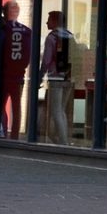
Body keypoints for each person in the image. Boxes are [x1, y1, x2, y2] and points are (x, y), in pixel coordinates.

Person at [40, 10, 74, 145]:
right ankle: (63, 140)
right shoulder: (70, 36)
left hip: (56, 78)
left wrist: (40, 75)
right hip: (69, 77)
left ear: (55, 21)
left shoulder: (51, 37)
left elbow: (47, 60)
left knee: (56, 111)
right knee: (62, 110)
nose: (47, 22)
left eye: (49, 19)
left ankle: (63, 142)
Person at [0, 0, 31, 139]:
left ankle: (2, 131)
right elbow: (28, 55)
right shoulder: (26, 31)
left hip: (3, 75)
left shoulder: (2, 30)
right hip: (19, 76)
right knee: (16, 108)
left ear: (5, 13)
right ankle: (15, 137)